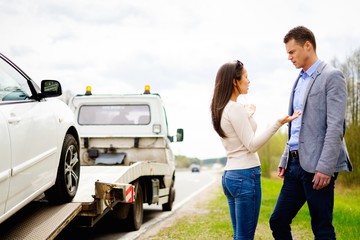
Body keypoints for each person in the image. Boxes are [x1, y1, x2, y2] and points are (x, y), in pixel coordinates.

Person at [269, 26, 352, 240]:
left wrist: (325, 167)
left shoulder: (332, 76)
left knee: (322, 228)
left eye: (292, 52)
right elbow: (296, 126)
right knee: (278, 221)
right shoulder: (299, 80)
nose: (289, 57)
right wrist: (286, 156)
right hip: (294, 166)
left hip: (317, 167)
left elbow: (335, 127)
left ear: (308, 45)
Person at [210, 60, 300, 240]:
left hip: (231, 176)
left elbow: (239, 138)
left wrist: (248, 115)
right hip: (245, 176)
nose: (249, 80)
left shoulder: (222, 108)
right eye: (245, 76)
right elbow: (251, 145)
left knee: (239, 236)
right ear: (234, 81)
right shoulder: (235, 109)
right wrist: (278, 123)